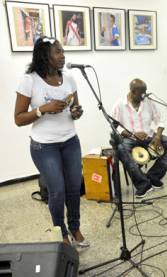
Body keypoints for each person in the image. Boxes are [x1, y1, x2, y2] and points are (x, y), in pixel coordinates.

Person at [14, 36, 89, 247]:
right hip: (43, 146)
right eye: (58, 52)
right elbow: (18, 118)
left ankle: (75, 228)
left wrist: (76, 112)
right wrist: (43, 109)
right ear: (44, 55)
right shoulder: (29, 80)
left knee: (74, 188)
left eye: (63, 51)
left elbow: (75, 109)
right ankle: (62, 234)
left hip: (70, 141)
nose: (63, 55)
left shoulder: (70, 78)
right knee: (57, 191)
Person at [111, 79, 167, 198]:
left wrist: (157, 137)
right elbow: (115, 126)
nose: (144, 95)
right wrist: (132, 134)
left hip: (149, 137)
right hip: (129, 139)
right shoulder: (119, 104)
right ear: (132, 91)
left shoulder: (149, 102)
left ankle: (153, 176)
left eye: (145, 91)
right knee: (121, 149)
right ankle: (143, 184)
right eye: (142, 92)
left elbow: (160, 121)